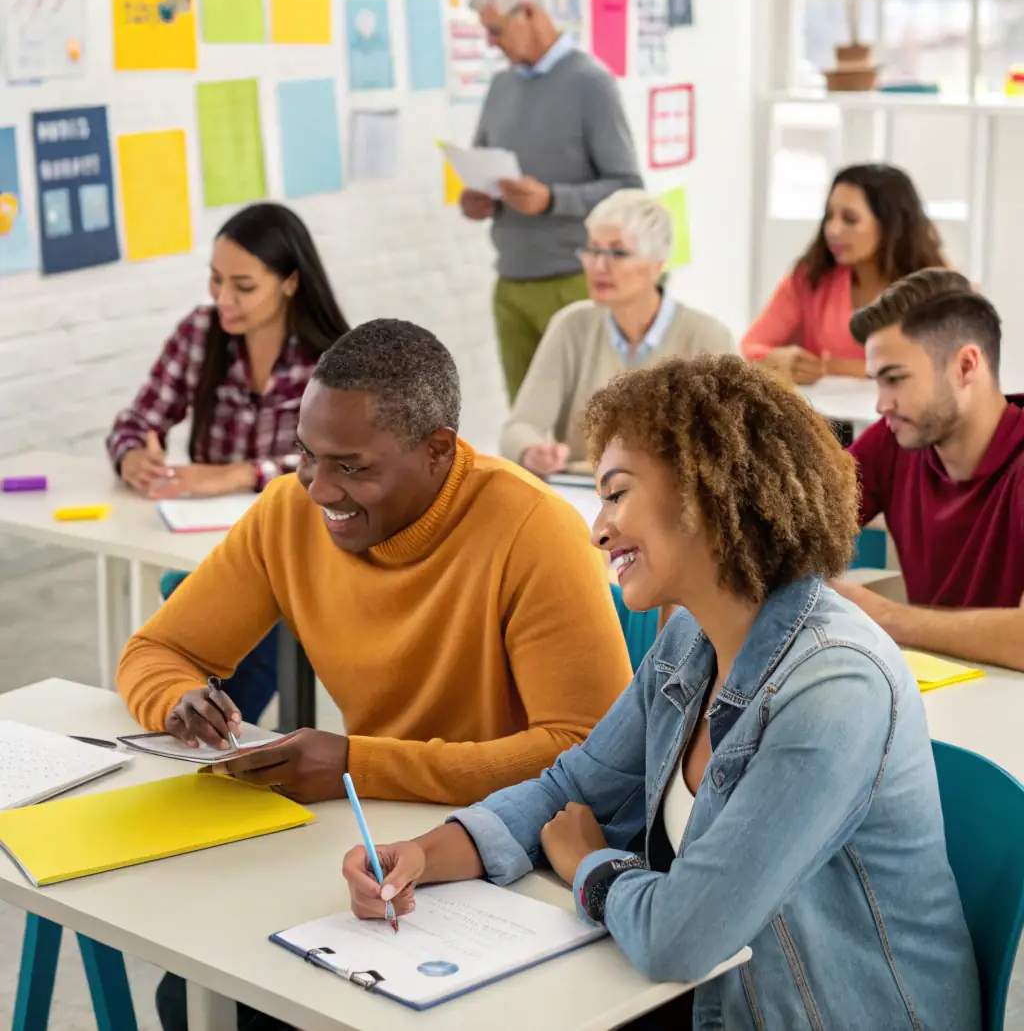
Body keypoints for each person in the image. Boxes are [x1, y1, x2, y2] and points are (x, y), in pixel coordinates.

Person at [341, 356, 980, 1031]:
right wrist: (424, 855)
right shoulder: (689, 643)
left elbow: (682, 937)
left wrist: (592, 867)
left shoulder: (835, 685)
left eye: (617, 495)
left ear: (706, 490)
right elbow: (570, 789)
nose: (598, 529)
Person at [125, 318, 632, 1031]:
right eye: (306, 455)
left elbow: (586, 753)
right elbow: (154, 651)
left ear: (438, 450)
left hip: (514, 863)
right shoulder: (286, 514)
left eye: (353, 466)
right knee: (201, 992)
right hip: (376, 845)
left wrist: (356, 764)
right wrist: (178, 697)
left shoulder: (533, 529)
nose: (318, 488)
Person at [107, 202, 348, 726]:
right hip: (208, 544)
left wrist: (239, 474)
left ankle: (219, 731)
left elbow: (338, 463)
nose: (223, 299)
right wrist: (133, 456)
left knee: (255, 628)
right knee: (200, 627)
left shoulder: (330, 359)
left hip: (295, 546)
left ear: (289, 282)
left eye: (243, 286)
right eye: (216, 280)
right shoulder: (200, 333)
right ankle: (214, 729)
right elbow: (135, 420)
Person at [462, 0, 643, 401]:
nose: (490, 42)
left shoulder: (591, 84)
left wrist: (551, 200)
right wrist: (475, 201)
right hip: (511, 282)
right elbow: (483, 166)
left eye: (495, 29)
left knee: (587, 419)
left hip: (575, 281)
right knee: (525, 422)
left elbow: (627, 188)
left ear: (527, 11)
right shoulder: (501, 87)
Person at [831, 268, 1024, 672]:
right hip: (935, 692)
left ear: (966, 366)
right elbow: (799, 525)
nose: (881, 405)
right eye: (877, 382)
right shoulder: (895, 440)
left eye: (895, 380)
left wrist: (887, 617)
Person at [501, 189, 736, 476]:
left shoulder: (708, 338)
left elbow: (731, 446)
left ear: (656, 265)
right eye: (593, 250)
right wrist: (532, 452)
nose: (599, 266)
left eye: (617, 252)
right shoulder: (571, 326)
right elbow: (519, 427)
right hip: (584, 492)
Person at [743, 163, 945, 384]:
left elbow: (940, 365)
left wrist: (829, 367)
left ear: (890, 225)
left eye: (850, 219)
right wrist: (779, 361)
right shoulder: (810, 277)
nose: (833, 230)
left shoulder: (936, 286)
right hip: (823, 407)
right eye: (829, 216)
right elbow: (749, 348)